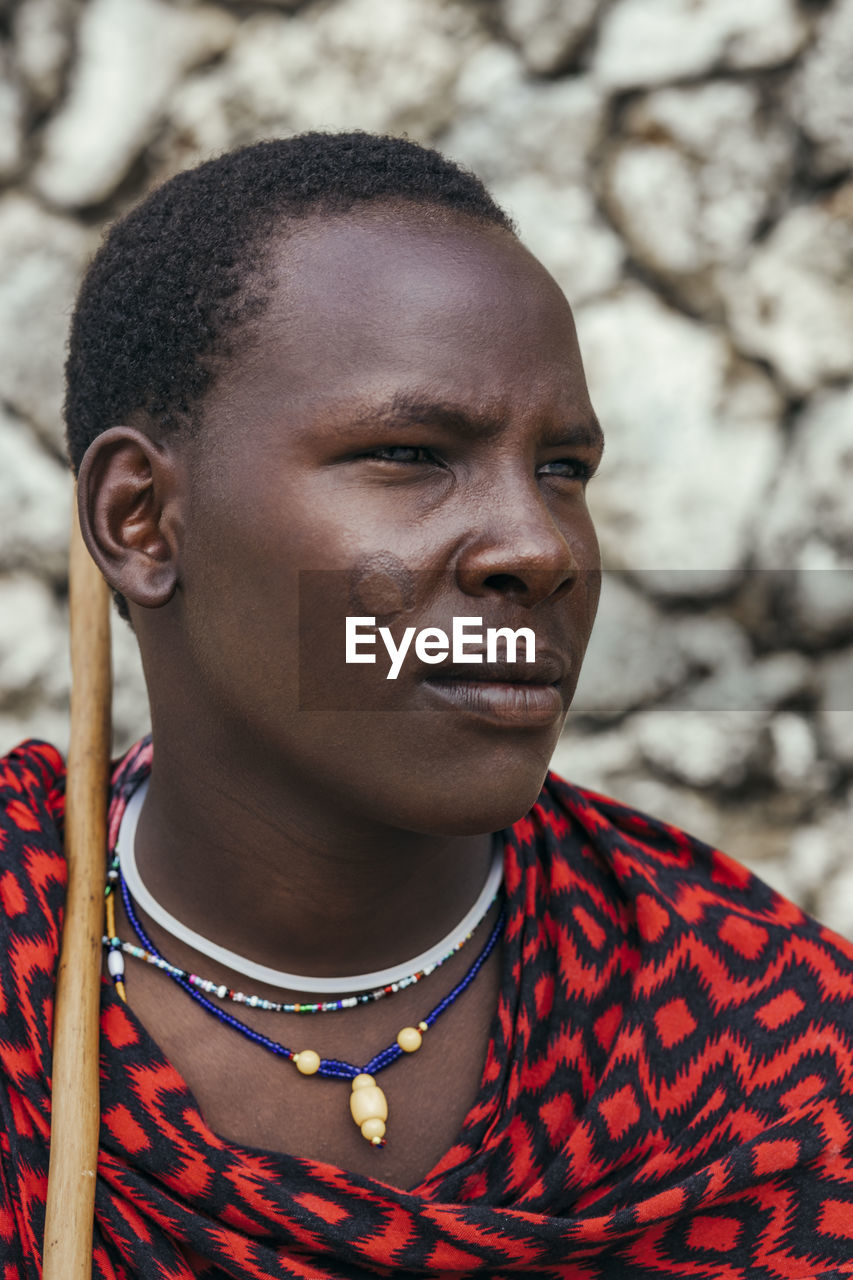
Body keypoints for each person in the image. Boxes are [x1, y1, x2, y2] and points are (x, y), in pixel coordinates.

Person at [1, 131, 852, 1278]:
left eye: (563, 469)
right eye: (409, 452)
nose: (539, 547)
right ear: (143, 520)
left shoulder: (772, 1046)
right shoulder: (23, 949)